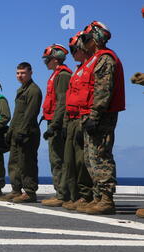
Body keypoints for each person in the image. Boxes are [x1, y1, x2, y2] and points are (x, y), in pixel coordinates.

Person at [79, 21, 126, 215]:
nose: (84, 43)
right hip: (92, 114)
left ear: (96, 39)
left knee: (101, 155)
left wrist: (95, 115)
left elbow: (103, 90)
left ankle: (106, 198)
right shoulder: (95, 58)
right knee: (91, 158)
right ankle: (98, 196)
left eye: (87, 39)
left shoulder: (105, 59)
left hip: (101, 115)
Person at [58, 31, 94, 212]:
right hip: (71, 120)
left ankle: (85, 195)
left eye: (74, 49)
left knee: (81, 161)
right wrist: (65, 124)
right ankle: (75, 196)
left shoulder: (91, 67)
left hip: (82, 119)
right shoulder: (78, 71)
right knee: (69, 161)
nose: (73, 53)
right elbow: (68, 100)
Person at [1, 62, 42, 203]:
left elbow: (30, 114)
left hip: (28, 133)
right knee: (14, 162)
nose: (20, 76)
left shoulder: (34, 90)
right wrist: (10, 132)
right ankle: (16, 189)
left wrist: (22, 132)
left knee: (27, 163)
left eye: (23, 73)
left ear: (30, 73)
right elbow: (17, 115)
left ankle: (30, 192)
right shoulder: (21, 90)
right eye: (18, 73)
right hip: (17, 132)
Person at [40, 44, 73, 207]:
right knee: (55, 159)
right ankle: (61, 192)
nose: (46, 62)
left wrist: (55, 125)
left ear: (55, 59)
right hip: (53, 120)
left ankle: (62, 194)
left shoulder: (63, 75)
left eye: (47, 60)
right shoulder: (56, 75)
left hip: (58, 123)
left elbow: (62, 102)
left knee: (58, 159)